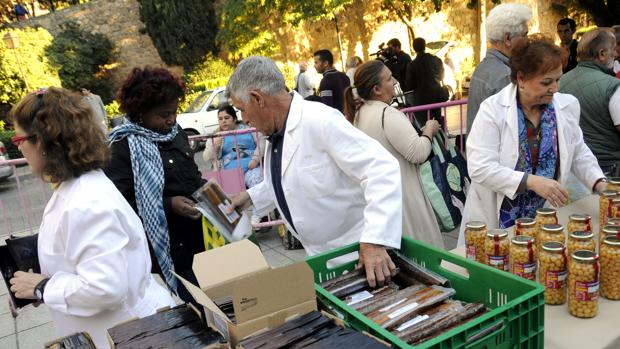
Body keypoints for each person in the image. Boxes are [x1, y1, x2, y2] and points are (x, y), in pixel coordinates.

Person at [8, 87, 175, 349]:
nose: (20, 151)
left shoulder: (86, 203)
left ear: (41, 141)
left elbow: (105, 287)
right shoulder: (77, 187)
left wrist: (44, 287)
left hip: (130, 336)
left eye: (19, 141)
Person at [227, 56, 402, 288]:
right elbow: (289, 180)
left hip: (358, 255)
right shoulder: (277, 132)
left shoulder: (320, 120)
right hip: (321, 257)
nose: (244, 119)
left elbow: (381, 169)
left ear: (258, 99)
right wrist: (250, 197)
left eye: (242, 110)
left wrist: (374, 242)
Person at [459, 36, 607, 246]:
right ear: (521, 79)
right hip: (499, 217)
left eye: (558, 79)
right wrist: (531, 182)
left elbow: (579, 152)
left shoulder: (566, 106)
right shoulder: (493, 111)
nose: (555, 88)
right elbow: (479, 167)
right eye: (546, 82)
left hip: (543, 215)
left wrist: (599, 182)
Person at [104, 67, 205, 304]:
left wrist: (209, 191)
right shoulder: (122, 146)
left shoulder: (175, 133)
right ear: (140, 113)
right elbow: (119, 208)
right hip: (169, 248)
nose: (171, 120)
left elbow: (192, 175)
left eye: (174, 112)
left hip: (201, 239)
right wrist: (169, 205)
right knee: (201, 307)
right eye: (163, 114)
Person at [343, 60, 444, 248]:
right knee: (422, 255)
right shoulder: (387, 114)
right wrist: (429, 129)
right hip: (405, 198)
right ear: (377, 89)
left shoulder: (360, 114)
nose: (395, 80)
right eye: (389, 78)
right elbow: (418, 152)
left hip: (383, 200)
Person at [559, 28, 620, 176]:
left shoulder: (559, 82)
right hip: (608, 169)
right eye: (614, 49)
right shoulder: (613, 86)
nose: (617, 54)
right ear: (602, 54)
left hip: (572, 170)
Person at [466, 3, 532, 137]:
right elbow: (512, 130)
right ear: (507, 39)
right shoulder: (505, 76)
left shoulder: (485, 67)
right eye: (525, 35)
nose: (528, 41)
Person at [202, 105, 264, 189]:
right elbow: (207, 158)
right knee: (232, 198)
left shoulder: (249, 129)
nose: (223, 121)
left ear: (234, 119)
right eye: (220, 119)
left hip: (251, 169)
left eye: (226, 118)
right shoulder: (215, 136)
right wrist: (215, 147)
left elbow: (262, 141)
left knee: (257, 183)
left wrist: (255, 159)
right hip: (228, 174)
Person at [405, 37, 447, 127]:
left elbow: (410, 85)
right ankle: (444, 139)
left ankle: (431, 140)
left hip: (422, 99)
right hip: (436, 95)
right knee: (438, 119)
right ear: (425, 46)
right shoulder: (435, 59)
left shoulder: (412, 65)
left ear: (414, 48)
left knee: (426, 124)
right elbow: (441, 76)